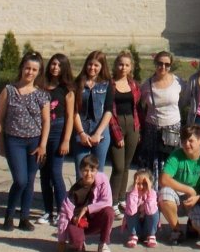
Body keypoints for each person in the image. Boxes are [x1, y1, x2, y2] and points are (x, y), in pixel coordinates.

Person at [0, 52, 50, 231]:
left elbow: (46, 121)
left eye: (34, 70)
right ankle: (9, 215)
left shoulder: (41, 95)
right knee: (20, 180)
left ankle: (24, 217)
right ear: (22, 68)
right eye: (28, 68)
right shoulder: (9, 90)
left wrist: (43, 145)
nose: (30, 72)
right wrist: (1, 143)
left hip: (34, 142)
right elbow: (0, 119)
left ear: (38, 72)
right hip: (14, 141)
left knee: (30, 179)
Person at [158, 125, 200, 244]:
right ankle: (176, 230)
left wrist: (199, 197)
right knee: (164, 193)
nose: (187, 144)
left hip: (199, 199)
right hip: (179, 197)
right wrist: (188, 189)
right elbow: (163, 179)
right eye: (184, 141)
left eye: (190, 140)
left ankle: (192, 226)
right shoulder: (176, 155)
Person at [38, 53, 74, 225]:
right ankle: (47, 211)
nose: (55, 68)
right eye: (53, 64)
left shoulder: (67, 90)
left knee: (55, 172)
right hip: (41, 130)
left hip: (58, 130)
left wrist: (66, 140)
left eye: (59, 65)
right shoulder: (41, 86)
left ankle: (62, 210)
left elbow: (70, 116)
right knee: (44, 173)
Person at [139, 49, 183, 182]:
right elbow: (140, 104)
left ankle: (168, 192)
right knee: (153, 161)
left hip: (172, 128)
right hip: (153, 128)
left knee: (170, 161)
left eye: (166, 64)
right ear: (155, 63)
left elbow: (185, 99)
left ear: (170, 65)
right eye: (160, 63)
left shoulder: (178, 82)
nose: (163, 67)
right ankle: (152, 193)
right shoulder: (147, 84)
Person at [56, 155, 113, 252]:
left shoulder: (103, 180)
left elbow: (107, 201)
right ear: (80, 171)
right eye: (85, 171)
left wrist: (87, 208)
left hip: (96, 218)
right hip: (79, 221)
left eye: (92, 170)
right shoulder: (75, 190)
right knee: (76, 246)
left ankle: (103, 243)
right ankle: (79, 242)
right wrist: (62, 240)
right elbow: (64, 213)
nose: (89, 174)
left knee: (109, 211)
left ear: (96, 171)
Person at [109, 50, 141, 211]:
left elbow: (137, 108)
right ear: (116, 65)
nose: (123, 67)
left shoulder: (133, 84)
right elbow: (109, 111)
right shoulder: (111, 84)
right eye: (121, 64)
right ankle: (111, 200)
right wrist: (117, 134)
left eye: (127, 65)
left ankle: (122, 197)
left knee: (127, 165)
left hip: (132, 125)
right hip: (117, 123)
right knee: (118, 166)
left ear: (131, 68)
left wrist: (138, 129)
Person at [72, 51, 114, 169]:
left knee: (98, 172)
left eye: (96, 65)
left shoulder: (107, 84)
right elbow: (74, 111)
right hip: (81, 130)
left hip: (100, 130)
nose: (92, 68)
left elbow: (108, 110)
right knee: (81, 172)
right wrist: (81, 133)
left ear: (102, 67)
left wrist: (97, 133)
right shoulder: (78, 83)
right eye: (90, 64)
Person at [122, 169, 160, 248]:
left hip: (148, 227)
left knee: (155, 211)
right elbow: (131, 211)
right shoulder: (132, 194)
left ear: (150, 184)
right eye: (138, 184)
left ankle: (151, 235)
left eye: (144, 184)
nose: (141, 186)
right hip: (136, 227)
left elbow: (150, 211)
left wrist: (149, 190)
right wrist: (134, 191)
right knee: (129, 210)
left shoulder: (152, 193)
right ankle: (133, 235)